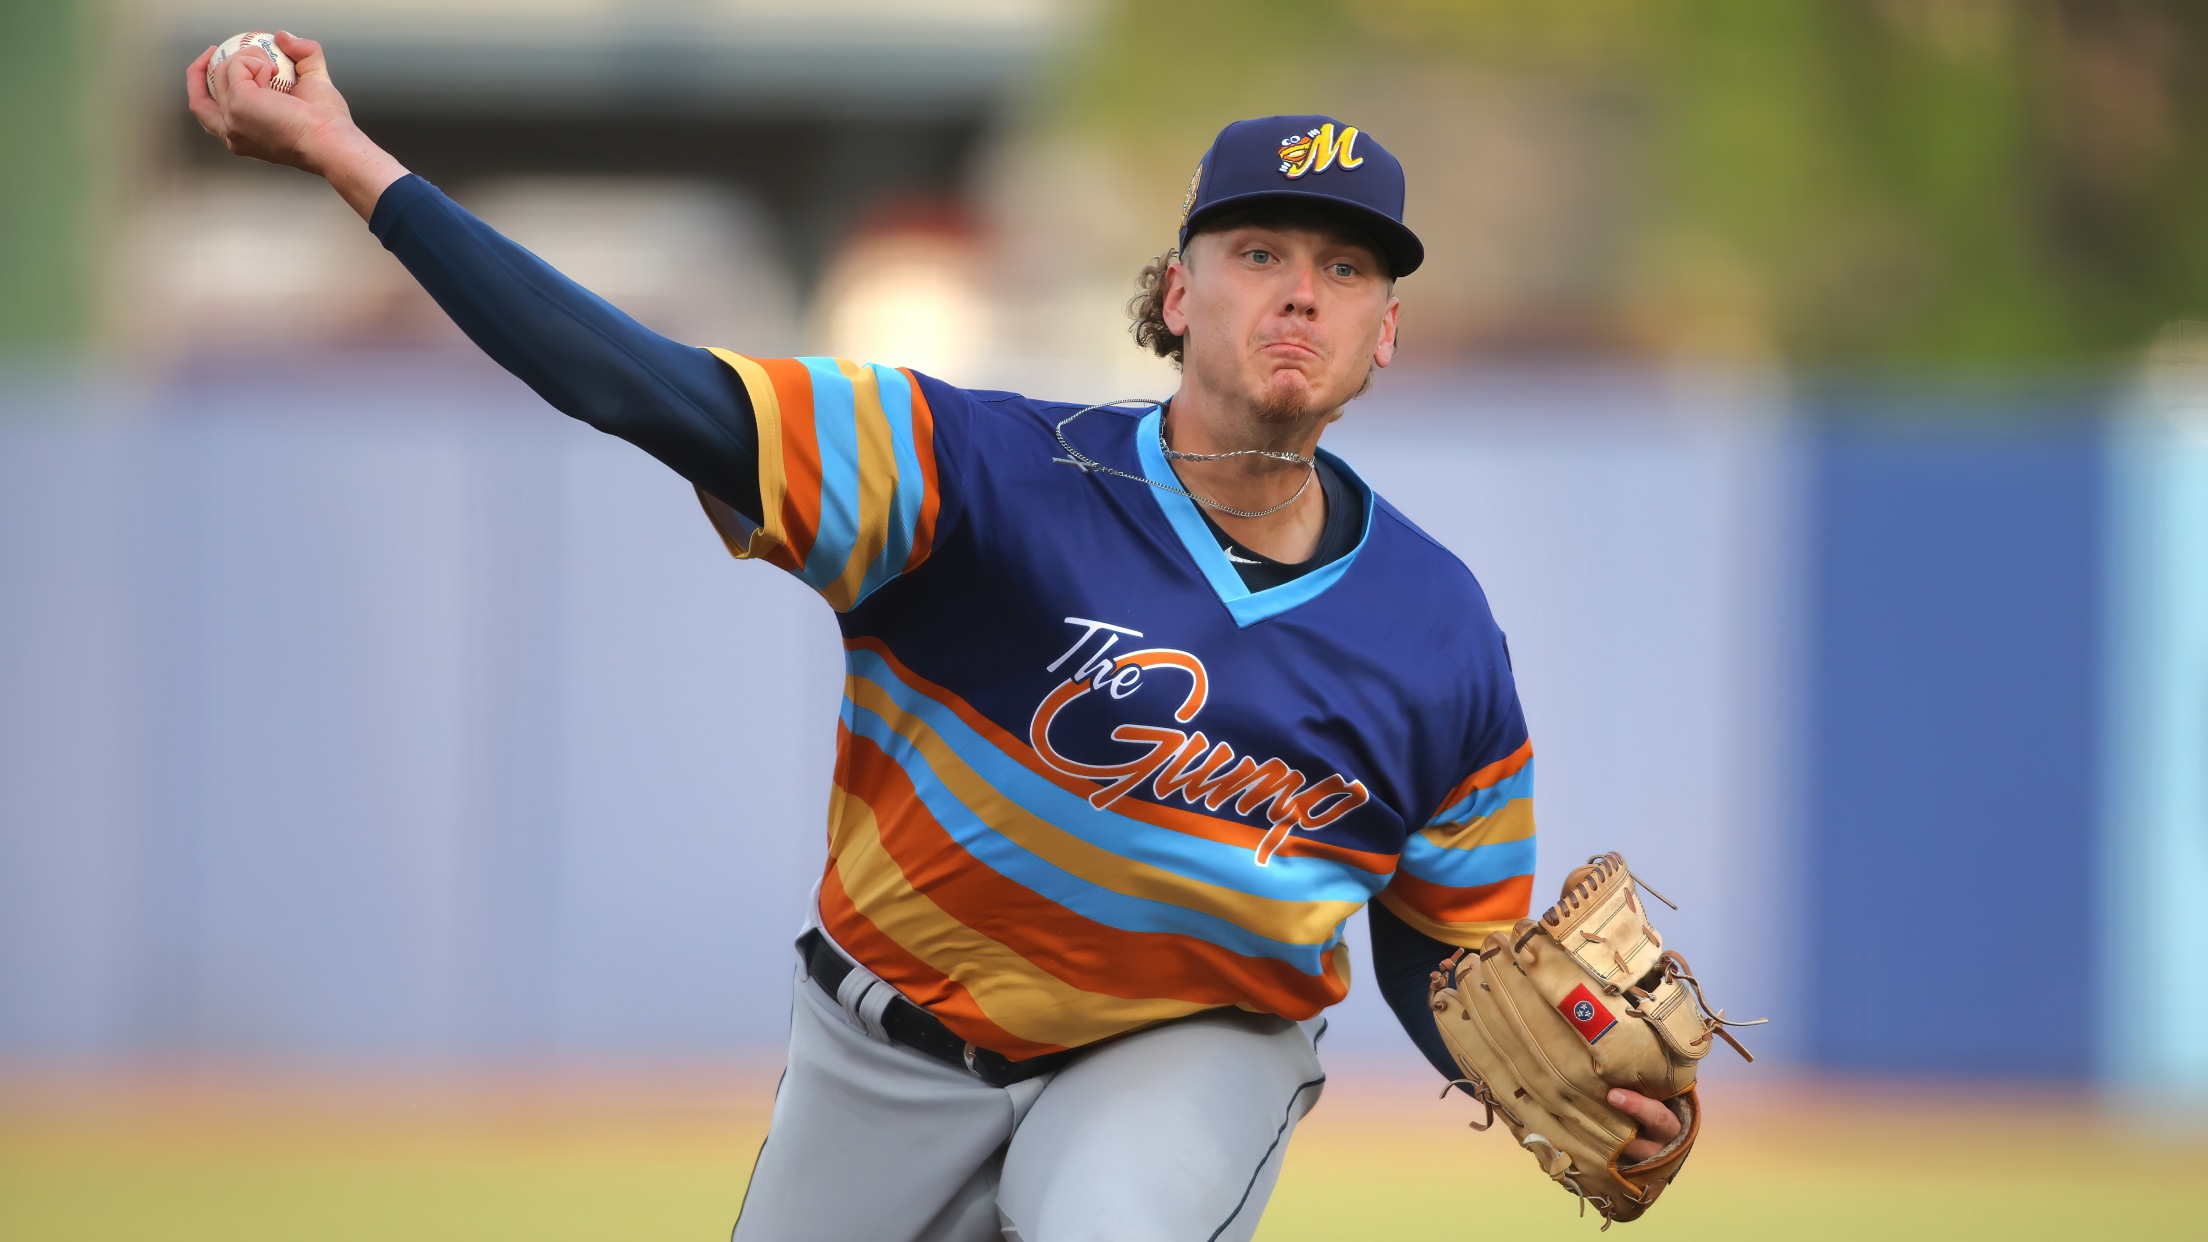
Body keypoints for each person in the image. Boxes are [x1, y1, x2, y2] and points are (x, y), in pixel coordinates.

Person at [187, 32, 1683, 1242]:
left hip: (1190, 1044)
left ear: (1385, 333)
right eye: (1261, 250)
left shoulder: (1436, 630)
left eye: (1349, 269)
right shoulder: (968, 469)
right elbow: (638, 384)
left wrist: (1585, 1087)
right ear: (1177, 293)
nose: (1303, 289)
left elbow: (1444, 953)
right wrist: (351, 160)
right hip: (885, 1043)